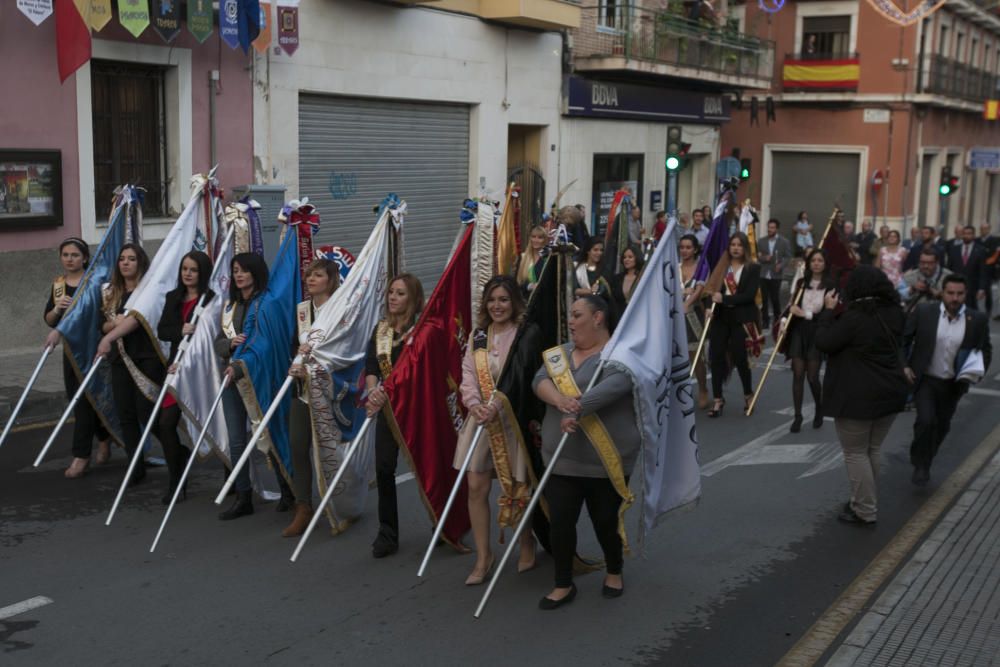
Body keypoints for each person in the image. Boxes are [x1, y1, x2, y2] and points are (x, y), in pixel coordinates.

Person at [532, 295, 637, 609]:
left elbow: (616, 386)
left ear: (598, 318)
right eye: (570, 315)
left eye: (577, 315)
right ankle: (563, 582)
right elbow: (539, 379)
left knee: (605, 520)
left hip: (605, 460)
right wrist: (561, 402)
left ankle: (614, 570)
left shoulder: (620, 355)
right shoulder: (560, 354)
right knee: (561, 523)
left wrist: (577, 408)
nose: (571, 321)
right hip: (560, 459)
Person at [454, 276, 541, 585]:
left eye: (503, 299)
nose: (497, 305)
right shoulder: (478, 336)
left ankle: (526, 541)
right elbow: (467, 373)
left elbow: (523, 379)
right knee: (476, 487)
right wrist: (473, 403)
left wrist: (498, 406)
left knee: (517, 487)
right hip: (481, 422)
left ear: (514, 302)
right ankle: (483, 555)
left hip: (511, 421)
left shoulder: (524, 335)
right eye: (492, 300)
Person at [815, 266, 909, 526]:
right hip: (889, 391)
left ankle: (865, 509)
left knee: (856, 453)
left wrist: (827, 311)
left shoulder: (853, 318)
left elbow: (824, 342)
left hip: (857, 395)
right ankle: (862, 499)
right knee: (872, 449)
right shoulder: (894, 312)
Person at [903, 275, 992, 486]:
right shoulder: (925, 313)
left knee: (942, 425)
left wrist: (976, 372)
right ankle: (920, 464)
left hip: (953, 384)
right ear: (942, 293)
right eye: (951, 293)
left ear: (965, 294)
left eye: (960, 294)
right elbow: (904, 340)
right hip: (925, 379)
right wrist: (904, 366)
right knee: (925, 421)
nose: (955, 298)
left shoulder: (976, 319)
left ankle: (927, 457)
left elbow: (985, 349)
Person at [365, 273, 425, 558]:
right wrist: (373, 390)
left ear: (413, 298)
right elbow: (371, 367)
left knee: (427, 469)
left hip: (416, 409)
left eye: (400, 293)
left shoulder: (422, 332)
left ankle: (443, 521)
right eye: (391, 292)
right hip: (388, 409)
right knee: (384, 468)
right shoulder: (381, 330)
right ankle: (387, 533)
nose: (393, 297)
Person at [44, 238, 112, 478]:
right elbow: (50, 320)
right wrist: (57, 309)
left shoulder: (94, 282)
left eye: (75, 255)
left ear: (85, 258)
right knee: (78, 399)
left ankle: (81, 456)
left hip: (94, 348)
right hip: (72, 352)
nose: (70, 259)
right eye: (65, 255)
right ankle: (104, 437)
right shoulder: (59, 285)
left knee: (86, 401)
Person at [95, 243, 160, 487]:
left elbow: (142, 323)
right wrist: (114, 325)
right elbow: (102, 325)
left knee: (147, 412)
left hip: (146, 358)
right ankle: (135, 465)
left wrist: (118, 326)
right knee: (126, 414)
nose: (125, 263)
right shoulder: (111, 292)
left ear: (140, 263)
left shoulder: (149, 292)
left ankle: (178, 453)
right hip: (120, 360)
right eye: (122, 258)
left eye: (131, 259)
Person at [284, 259, 341, 537]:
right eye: (309, 275)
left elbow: (343, 350)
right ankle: (303, 506)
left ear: (331, 280)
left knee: (333, 448)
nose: (311, 279)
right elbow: (295, 343)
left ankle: (341, 501)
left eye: (318, 275)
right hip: (302, 389)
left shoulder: (340, 309)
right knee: (298, 444)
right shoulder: (302, 311)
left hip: (331, 389)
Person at [213, 252, 270, 520]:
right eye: (235, 270)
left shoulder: (266, 303)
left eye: (243, 270)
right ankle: (243, 495)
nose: (238, 275)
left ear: (255, 273)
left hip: (257, 377)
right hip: (231, 376)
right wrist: (229, 345)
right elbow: (218, 342)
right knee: (237, 439)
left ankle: (288, 489)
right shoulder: (230, 307)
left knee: (267, 433)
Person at [156, 251, 214, 503]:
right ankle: (176, 480)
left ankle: (232, 478)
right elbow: (163, 331)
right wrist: (180, 330)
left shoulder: (211, 300)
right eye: (184, 269)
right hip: (176, 368)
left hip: (202, 370)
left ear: (202, 273)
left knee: (212, 424)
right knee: (165, 423)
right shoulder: (173, 298)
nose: (187, 274)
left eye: (193, 270)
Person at [705, 233, 761, 417]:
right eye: (733, 245)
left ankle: (748, 394)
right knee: (716, 357)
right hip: (721, 317)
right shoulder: (722, 267)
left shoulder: (753, 268)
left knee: (740, 358)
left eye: (739, 245)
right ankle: (718, 399)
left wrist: (725, 298)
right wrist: (708, 307)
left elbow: (748, 295)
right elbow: (711, 290)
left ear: (745, 247)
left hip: (740, 318)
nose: (735, 248)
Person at [783, 249, 836, 433]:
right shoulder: (801, 283)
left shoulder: (830, 286)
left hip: (817, 332)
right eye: (813, 260)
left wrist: (805, 314)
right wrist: (784, 321)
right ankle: (797, 416)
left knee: (812, 377)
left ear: (825, 263)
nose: (816, 263)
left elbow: (829, 315)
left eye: (820, 260)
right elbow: (791, 306)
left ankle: (819, 408)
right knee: (798, 373)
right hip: (799, 331)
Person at [679, 234, 710, 409]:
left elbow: (699, 290)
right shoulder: (675, 267)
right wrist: (683, 293)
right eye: (682, 247)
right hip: (674, 315)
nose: (684, 250)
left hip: (693, 316)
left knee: (695, 356)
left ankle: (703, 389)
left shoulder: (701, 267)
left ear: (695, 249)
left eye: (688, 247)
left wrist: (688, 301)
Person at [757, 218, 792, 329]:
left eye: (772, 228)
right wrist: (764, 258)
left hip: (776, 274)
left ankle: (777, 319)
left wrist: (781, 265)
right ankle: (765, 321)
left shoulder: (784, 242)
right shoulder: (761, 241)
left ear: (777, 229)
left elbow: (788, 256)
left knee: (775, 298)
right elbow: (758, 256)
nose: (770, 229)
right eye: (769, 227)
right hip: (763, 273)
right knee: (764, 299)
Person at [946, 225, 989, 310]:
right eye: (964, 233)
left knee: (970, 311)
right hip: (956, 285)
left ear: (973, 235)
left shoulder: (980, 250)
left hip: (972, 287)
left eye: (969, 233)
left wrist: (982, 288)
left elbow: (983, 271)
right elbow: (949, 269)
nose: (966, 236)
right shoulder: (954, 249)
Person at [609, 246, 643, 318]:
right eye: (624, 257)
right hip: (619, 319)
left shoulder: (643, 278)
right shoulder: (616, 279)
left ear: (637, 258)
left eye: (630, 257)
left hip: (638, 317)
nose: (626, 260)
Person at [516, 225, 548, 295]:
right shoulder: (523, 257)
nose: (536, 240)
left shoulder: (548, 258)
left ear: (545, 240)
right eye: (533, 237)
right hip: (526, 299)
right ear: (530, 238)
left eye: (540, 237)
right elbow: (518, 282)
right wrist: (530, 286)